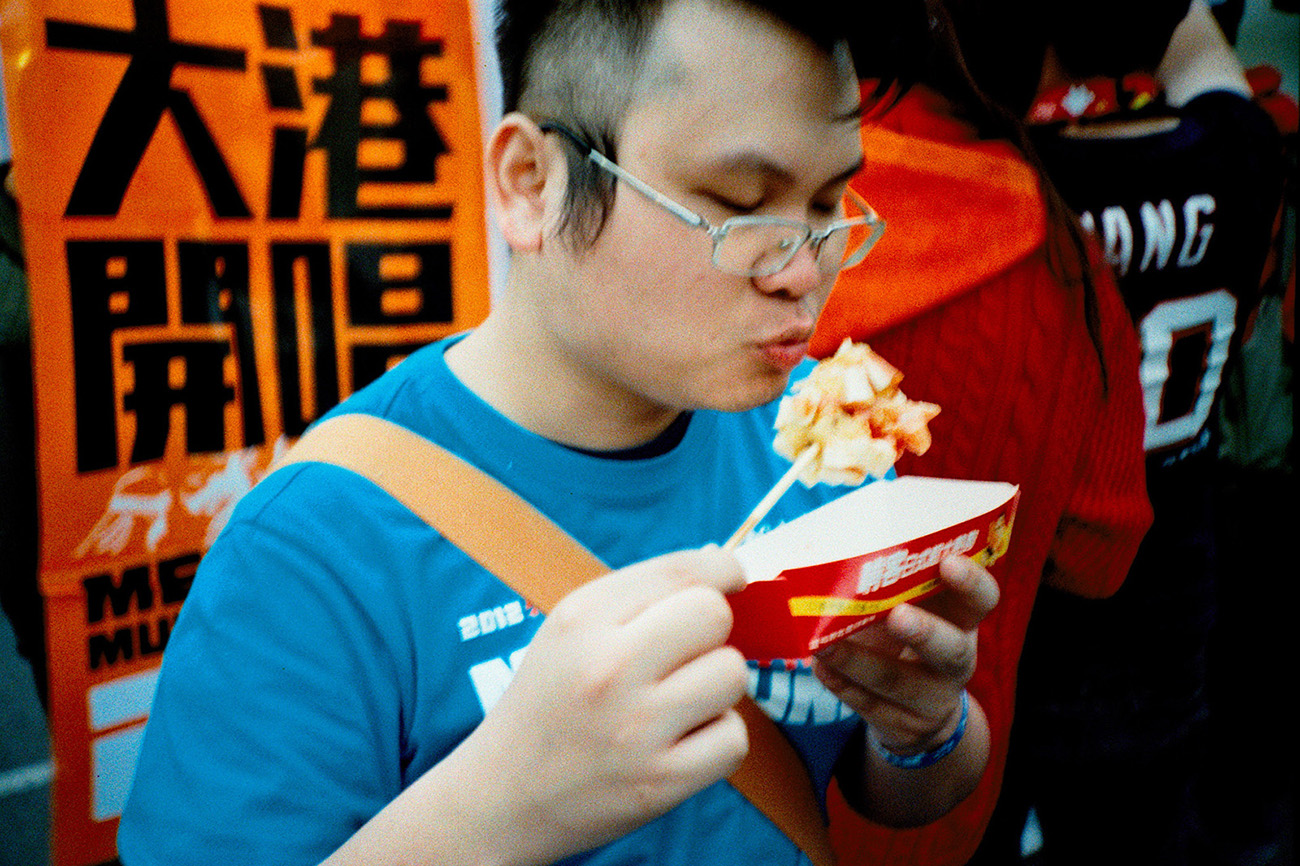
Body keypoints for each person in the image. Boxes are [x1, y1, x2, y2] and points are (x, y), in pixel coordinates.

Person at [116, 3, 1003, 864]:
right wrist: (497, 812)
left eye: (829, 202)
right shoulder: (311, 552)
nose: (804, 271)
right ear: (531, 183)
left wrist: (922, 730)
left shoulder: (822, 441)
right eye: (741, 204)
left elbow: (895, 783)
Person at [807, 7, 1155, 865]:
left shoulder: (732, 224)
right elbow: (1100, 551)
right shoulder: (1064, 260)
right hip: (938, 782)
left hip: (721, 781)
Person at [941, 1, 1287, 863]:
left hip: (1026, 601)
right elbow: (1200, 54)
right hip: (1172, 597)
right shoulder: (1241, 151)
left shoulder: (1012, 182)